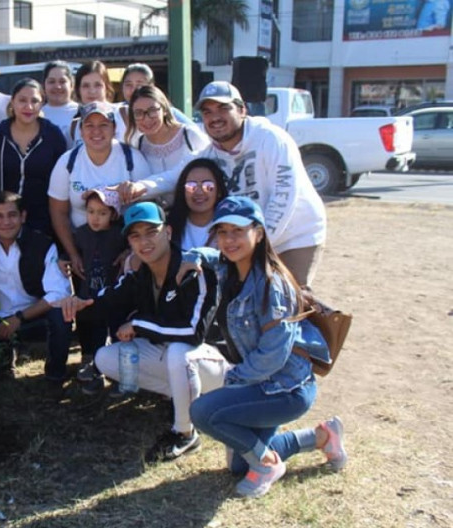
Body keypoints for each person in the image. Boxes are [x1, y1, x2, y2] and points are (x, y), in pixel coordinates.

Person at [184, 196, 347, 498]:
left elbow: (273, 356)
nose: (229, 240)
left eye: (238, 231)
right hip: (264, 383)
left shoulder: (272, 285)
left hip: (284, 390)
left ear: (258, 233)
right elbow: (212, 255)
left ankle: (268, 465)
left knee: (204, 412)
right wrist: (192, 256)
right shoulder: (230, 267)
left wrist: (231, 382)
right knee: (238, 466)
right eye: (222, 232)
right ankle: (323, 437)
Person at [55, 201, 228, 463]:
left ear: (168, 232)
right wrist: (79, 304)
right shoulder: (140, 274)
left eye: (151, 232)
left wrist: (137, 325)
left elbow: (194, 333)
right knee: (106, 358)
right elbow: (107, 300)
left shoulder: (193, 269)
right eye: (135, 236)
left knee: (180, 353)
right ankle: (186, 395)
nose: (144, 241)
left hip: (219, 364)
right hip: (180, 360)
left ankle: (184, 433)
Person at [189, 81, 327, 287]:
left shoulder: (272, 139)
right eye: (207, 112)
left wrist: (256, 245)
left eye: (223, 108)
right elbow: (180, 177)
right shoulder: (209, 155)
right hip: (249, 240)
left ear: (242, 110)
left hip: (294, 235)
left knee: (291, 300)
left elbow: (283, 196)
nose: (214, 117)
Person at [0, 191, 72, 396]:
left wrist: (19, 318)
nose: (6, 222)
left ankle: (55, 376)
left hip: (34, 317)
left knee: (61, 315)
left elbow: (58, 294)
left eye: (12, 215)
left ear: (23, 216)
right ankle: (4, 365)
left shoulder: (42, 244)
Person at [48, 101, 153, 280]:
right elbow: (58, 212)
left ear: (114, 128)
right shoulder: (67, 162)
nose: (96, 131)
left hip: (124, 245)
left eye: (103, 125)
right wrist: (73, 253)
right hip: (84, 248)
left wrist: (131, 251)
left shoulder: (132, 159)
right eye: (89, 125)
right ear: (81, 130)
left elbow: (147, 209)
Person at [0, 78, 69, 237]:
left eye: (35, 101)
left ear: (42, 103)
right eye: (22, 100)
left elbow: (61, 181)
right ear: (12, 101)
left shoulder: (53, 136)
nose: (28, 107)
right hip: (5, 221)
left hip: (42, 221)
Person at [71, 189, 127, 394]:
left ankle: (121, 375)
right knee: (93, 334)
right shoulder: (81, 233)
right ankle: (94, 371)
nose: (95, 218)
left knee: (117, 334)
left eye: (102, 213)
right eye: (91, 211)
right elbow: (70, 251)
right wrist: (64, 258)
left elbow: (133, 246)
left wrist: (126, 252)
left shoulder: (119, 233)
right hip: (89, 295)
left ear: (113, 214)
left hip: (114, 296)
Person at [125, 86, 209, 193]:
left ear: (164, 109)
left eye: (152, 110)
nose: (146, 119)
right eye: (138, 113)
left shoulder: (189, 135)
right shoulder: (138, 145)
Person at [164, 158, 229, 253]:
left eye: (208, 186)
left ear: (219, 191)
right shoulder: (167, 225)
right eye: (191, 186)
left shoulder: (229, 224)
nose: (199, 192)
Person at [117, 63, 193, 133]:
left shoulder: (166, 112)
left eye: (139, 84)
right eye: (128, 85)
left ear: (151, 86)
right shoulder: (114, 113)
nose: (133, 90)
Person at [68, 61, 125, 145]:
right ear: (78, 90)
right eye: (86, 86)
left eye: (98, 85)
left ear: (106, 87)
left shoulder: (123, 114)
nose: (92, 91)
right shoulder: (74, 125)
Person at [40, 61, 79, 148]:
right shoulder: (36, 114)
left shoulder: (82, 113)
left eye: (62, 81)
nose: (57, 86)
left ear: (72, 85)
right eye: (51, 82)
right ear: (44, 86)